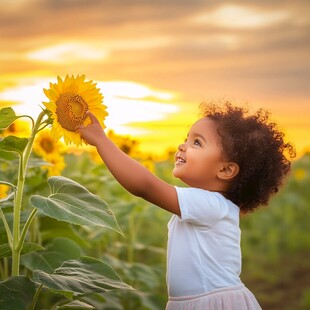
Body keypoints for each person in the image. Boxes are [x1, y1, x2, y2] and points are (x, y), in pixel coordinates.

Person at [77, 102, 295, 310]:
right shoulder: (211, 204)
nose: (183, 145)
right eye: (187, 139)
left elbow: (145, 186)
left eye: (197, 143)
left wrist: (102, 142)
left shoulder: (212, 205)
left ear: (226, 170)